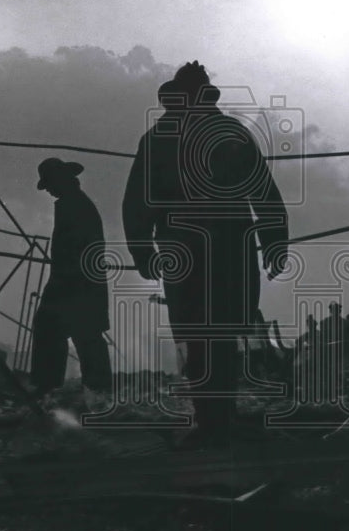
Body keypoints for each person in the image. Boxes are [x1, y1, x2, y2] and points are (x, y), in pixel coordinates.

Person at [122, 61, 289, 445]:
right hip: (226, 249)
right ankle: (218, 418)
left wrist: (143, 249)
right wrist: (274, 239)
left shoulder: (160, 139)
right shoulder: (229, 134)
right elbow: (263, 192)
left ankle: (213, 419)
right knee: (219, 335)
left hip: (191, 251)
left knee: (203, 335)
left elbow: (138, 202)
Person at [30, 157, 112, 399]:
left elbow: (78, 250)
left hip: (75, 282)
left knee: (72, 332)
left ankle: (56, 387)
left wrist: (64, 280)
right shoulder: (74, 203)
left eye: (50, 184)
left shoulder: (75, 205)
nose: (49, 190)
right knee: (80, 333)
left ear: (61, 179)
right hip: (76, 281)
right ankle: (92, 389)